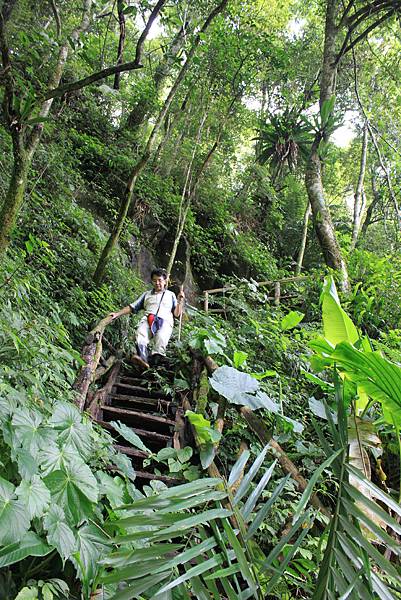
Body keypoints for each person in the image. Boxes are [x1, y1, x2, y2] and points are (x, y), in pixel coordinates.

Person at [109, 268, 185, 368]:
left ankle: (155, 365)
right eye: (154, 280)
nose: (157, 283)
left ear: (165, 281)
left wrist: (180, 301)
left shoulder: (171, 295)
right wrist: (117, 314)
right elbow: (132, 306)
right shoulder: (146, 295)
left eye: (160, 280)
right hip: (148, 318)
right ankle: (143, 359)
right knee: (141, 333)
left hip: (165, 320)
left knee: (161, 338)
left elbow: (176, 314)